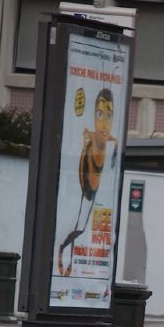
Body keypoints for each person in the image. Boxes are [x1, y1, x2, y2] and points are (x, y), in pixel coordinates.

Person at [57, 88, 118, 276]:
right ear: (94, 116)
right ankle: (62, 253)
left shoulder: (108, 140)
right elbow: (83, 159)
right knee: (79, 225)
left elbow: (114, 143)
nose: (104, 123)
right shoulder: (91, 137)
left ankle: (67, 258)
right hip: (86, 188)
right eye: (100, 114)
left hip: (95, 189)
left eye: (109, 116)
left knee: (81, 228)